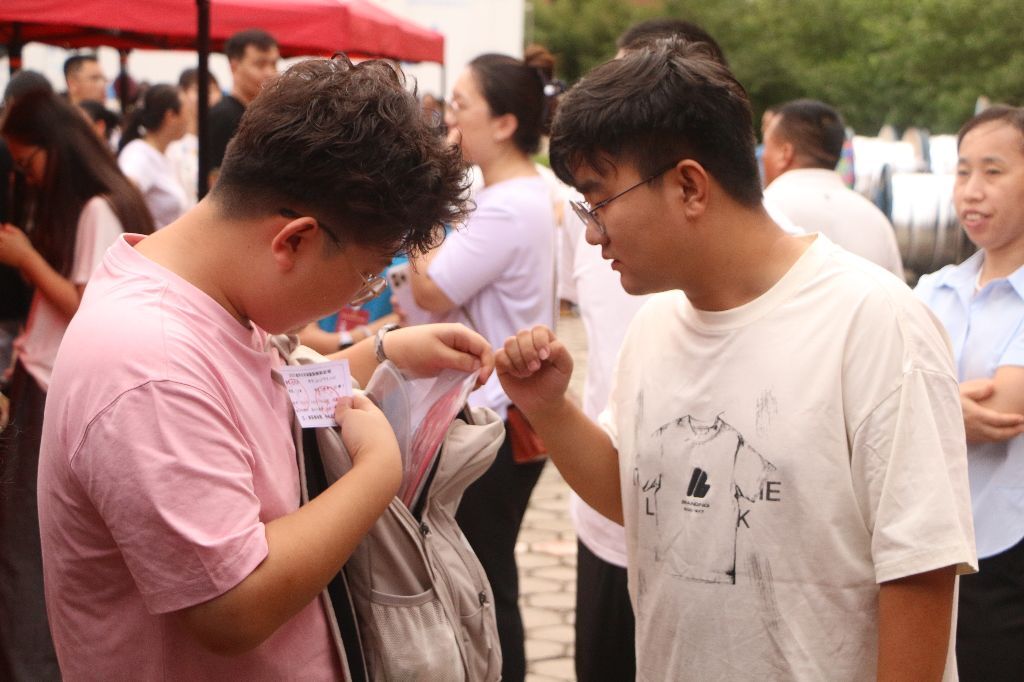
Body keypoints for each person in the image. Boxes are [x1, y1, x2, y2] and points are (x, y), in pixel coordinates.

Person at [497, 40, 977, 679]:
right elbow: (636, 500)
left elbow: (920, 566)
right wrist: (550, 410)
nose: (590, 231)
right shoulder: (655, 327)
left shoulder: (875, 322)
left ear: (689, 186)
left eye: (599, 200)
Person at [36, 54, 486, 680]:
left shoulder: (210, 293)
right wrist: (377, 472)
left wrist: (381, 354)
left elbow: (253, 401)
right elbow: (232, 606)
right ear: (294, 240)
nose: (360, 295)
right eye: (364, 277)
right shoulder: (149, 364)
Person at [407, 52, 557, 682]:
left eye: (461, 106)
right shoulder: (515, 195)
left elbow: (430, 288)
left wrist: (423, 204)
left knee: (486, 583)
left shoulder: (508, 205)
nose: (449, 120)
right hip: (500, 409)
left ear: (504, 123)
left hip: (489, 417)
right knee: (487, 577)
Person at [0, 90, 154, 682]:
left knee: (26, 549)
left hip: (54, 384)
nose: (25, 176)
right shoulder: (113, 200)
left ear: (55, 149)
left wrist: (26, 258)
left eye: (26, 163)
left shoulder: (95, 210)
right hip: (56, 380)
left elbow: (88, 306)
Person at [914, 105, 1024, 681]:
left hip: (1005, 550)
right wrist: (945, 407)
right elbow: (869, 397)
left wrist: (919, 403)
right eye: (962, 172)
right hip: (926, 544)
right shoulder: (934, 290)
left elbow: (1002, 413)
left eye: (993, 171)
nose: (971, 190)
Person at [763, 99, 905, 279]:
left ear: (785, 153)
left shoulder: (761, 212)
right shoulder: (877, 221)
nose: (762, 156)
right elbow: (897, 293)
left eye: (766, 146)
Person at [207, 28, 279, 186]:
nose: (270, 72)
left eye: (274, 64)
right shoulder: (222, 116)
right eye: (260, 64)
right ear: (234, 66)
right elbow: (214, 180)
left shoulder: (266, 116)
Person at [118, 84, 190, 228]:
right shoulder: (138, 155)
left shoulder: (168, 153)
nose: (189, 120)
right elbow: (122, 198)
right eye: (187, 112)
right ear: (171, 116)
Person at [167, 67, 222, 206]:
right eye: (199, 90)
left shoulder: (221, 139)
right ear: (182, 94)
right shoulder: (173, 147)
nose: (208, 96)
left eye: (214, 90)